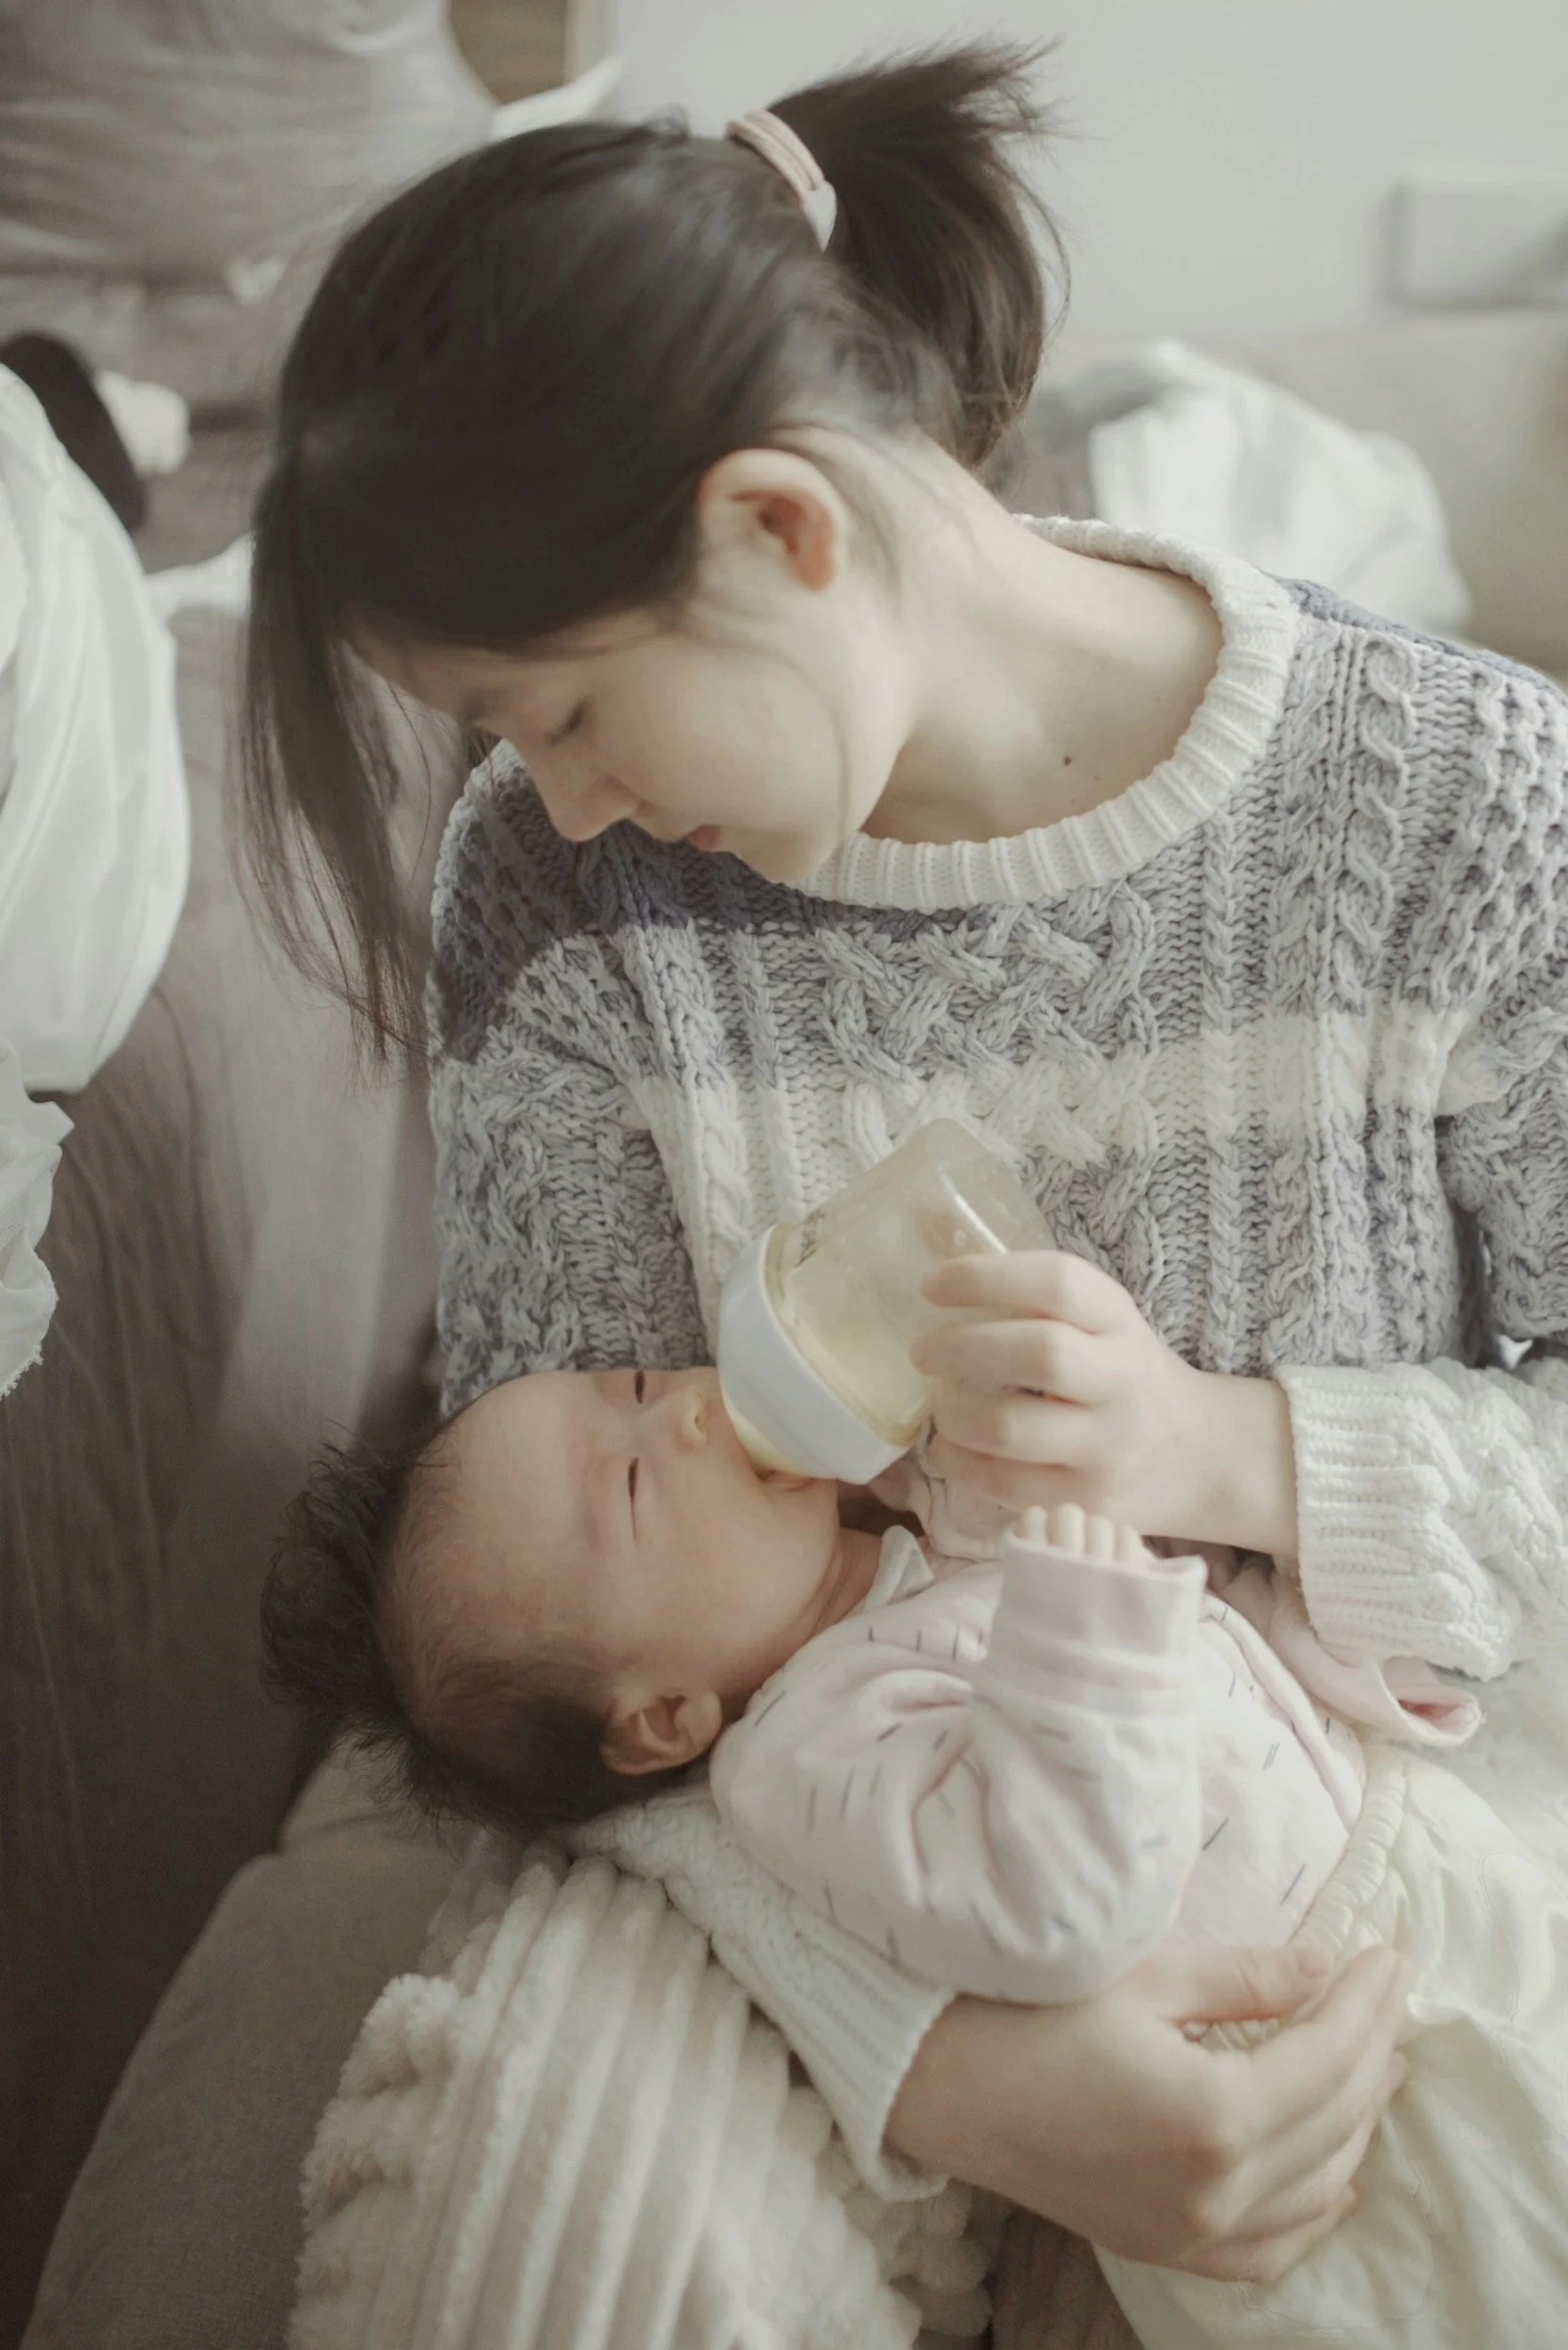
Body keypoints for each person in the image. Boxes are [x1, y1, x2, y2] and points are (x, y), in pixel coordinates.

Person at [242, 40, 1568, 2288]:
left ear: (779, 525)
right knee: (528, 2201)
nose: (548, 805)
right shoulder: (561, 904)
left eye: (562, 713)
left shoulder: (1462, 809)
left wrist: (1223, 1448)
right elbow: (582, 1656)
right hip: (812, 1865)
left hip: (1355, 1825)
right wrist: (940, 2047)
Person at [262, 1355, 1568, 2345]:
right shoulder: (809, 1757)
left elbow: (1207, 1642)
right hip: (1316, 2108)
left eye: (641, 1384)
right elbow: (1062, 1909)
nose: (692, 1413)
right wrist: (1088, 1620)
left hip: (1414, 1873)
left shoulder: (917, 1551)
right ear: (665, 1718)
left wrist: (1326, 1660)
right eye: (637, 1481)